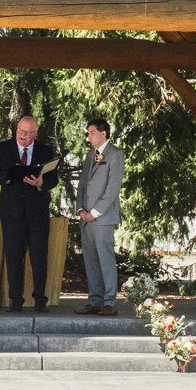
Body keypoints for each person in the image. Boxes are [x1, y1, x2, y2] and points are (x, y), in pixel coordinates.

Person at [0, 113, 59, 312]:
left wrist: (41, 183)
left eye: (27, 132)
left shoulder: (45, 151)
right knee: (13, 257)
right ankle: (15, 301)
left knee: (39, 258)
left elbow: (54, 179)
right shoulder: (3, 148)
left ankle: (40, 301)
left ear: (35, 133)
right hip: (12, 214)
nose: (23, 135)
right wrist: (9, 176)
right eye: (20, 131)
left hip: (37, 214)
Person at [77, 116, 125, 315]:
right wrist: (80, 210)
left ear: (103, 133)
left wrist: (94, 213)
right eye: (88, 133)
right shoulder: (91, 156)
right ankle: (95, 300)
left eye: (92, 133)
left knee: (105, 259)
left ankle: (109, 302)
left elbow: (112, 189)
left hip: (102, 219)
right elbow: (81, 186)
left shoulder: (115, 154)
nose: (89, 136)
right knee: (91, 260)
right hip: (86, 219)